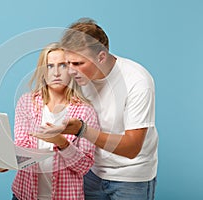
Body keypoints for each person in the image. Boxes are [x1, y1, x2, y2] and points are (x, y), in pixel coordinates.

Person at [0, 42, 100, 200]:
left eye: (62, 65)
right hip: (24, 195)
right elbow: (22, 151)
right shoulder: (27, 103)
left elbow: (84, 166)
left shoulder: (85, 111)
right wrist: (0, 166)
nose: (56, 73)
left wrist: (62, 142)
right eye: (49, 66)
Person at [57, 18, 158, 199]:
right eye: (68, 63)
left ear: (101, 57)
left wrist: (82, 130)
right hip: (91, 172)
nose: (71, 71)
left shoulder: (137, 80)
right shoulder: (76, 78)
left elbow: (132, 148)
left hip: (130, 177)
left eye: (78, 63)